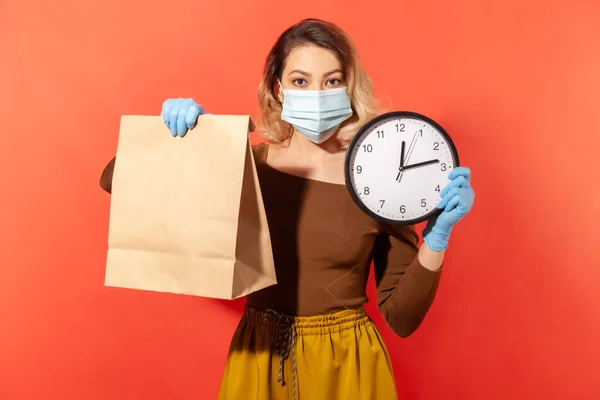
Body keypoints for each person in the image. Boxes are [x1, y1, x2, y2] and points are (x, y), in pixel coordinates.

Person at [99, 18, 474, 400]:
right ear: (278, 89)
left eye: (332, 80)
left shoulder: (377, 181)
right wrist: (184, 140)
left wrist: (436, 237)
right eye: (300, 80)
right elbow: (116, 181)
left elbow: (402, 318)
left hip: (347, 367)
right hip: (258, 357)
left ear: (349, 88)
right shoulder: (247, 166)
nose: (317, 92)